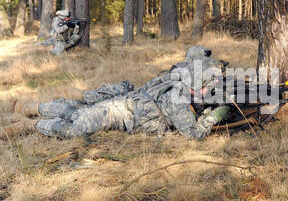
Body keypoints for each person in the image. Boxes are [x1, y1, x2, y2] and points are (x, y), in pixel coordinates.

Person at [0, 47, 230, 141]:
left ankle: (33, 109)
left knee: (76, 111)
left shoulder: (181, 79)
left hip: (126, 107)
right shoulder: (178, 96)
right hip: (120, 112)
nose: (209, 90)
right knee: (75, 128)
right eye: (208, 85)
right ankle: (32, 125)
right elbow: (192, 133)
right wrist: (213, 116)